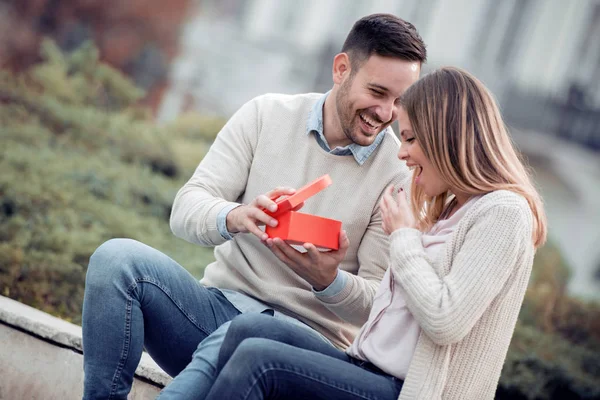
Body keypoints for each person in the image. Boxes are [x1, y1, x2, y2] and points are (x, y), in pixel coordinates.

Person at [81, 13, 427, 400]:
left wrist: (329, 281)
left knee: (246, 332)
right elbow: (186, 208)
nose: (386, 114)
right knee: (116, 260)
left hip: (298, 349)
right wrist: (236, 216)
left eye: (399, 102)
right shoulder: (267, 115)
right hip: (213, 311)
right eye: (377, 93)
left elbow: (377, 306)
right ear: (342, 69)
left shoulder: (398, 176)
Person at [202, 67, 548, 400]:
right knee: (250, 329)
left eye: (411, 138)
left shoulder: (505, 212)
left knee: (259, 362)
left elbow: (445, 320)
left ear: (447, 137)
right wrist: (328, 276)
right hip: (367, 367)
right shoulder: (451, 210)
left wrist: (404, 238)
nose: (401, 152)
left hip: (405, 391)